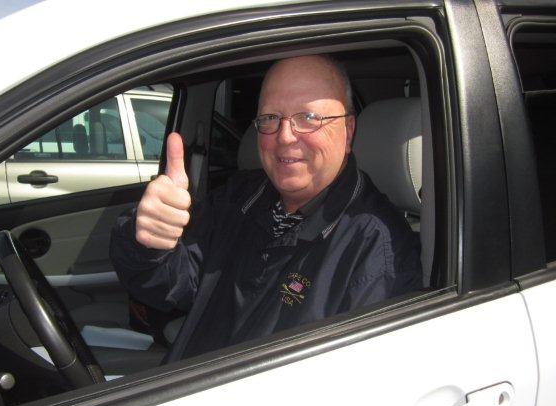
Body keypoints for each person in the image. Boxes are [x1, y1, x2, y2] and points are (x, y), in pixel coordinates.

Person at [110, 55, 422, 362]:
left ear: (349, 131)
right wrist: (149, 243)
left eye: (309, 118)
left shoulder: (379, 249)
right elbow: (170, 285)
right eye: (270, 118)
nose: (285, 136)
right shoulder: (241, 197)